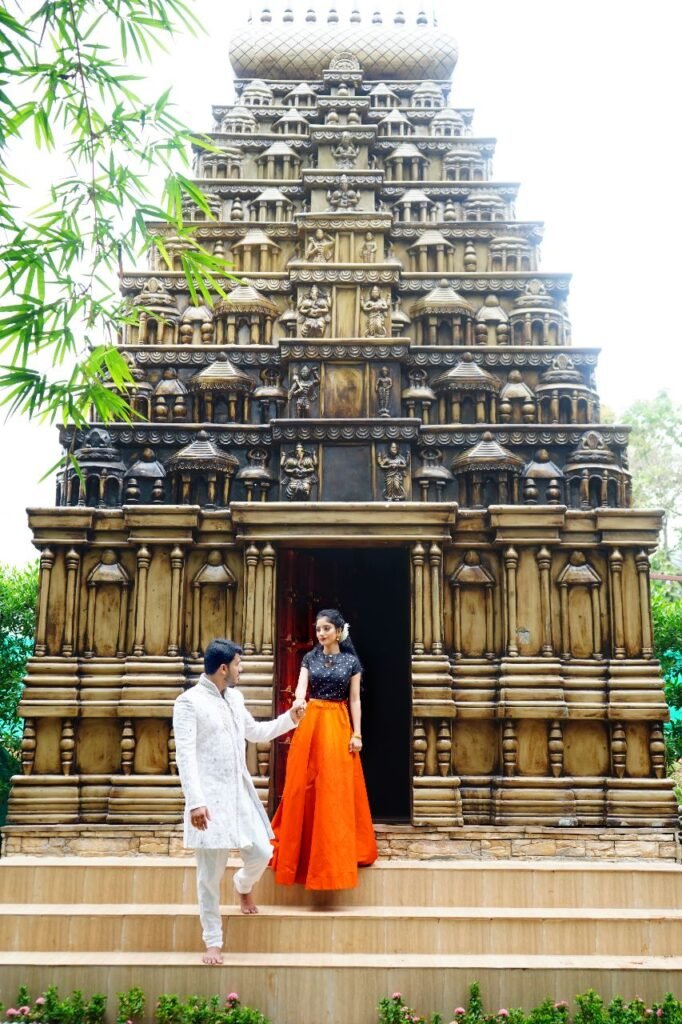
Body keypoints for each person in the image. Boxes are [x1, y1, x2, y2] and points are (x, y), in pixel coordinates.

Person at [173, 638, 305, 965]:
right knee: (208, 876)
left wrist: (290, 718)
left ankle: (243, 884)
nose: (241, 669)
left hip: (239, 794)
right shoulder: (188, 702)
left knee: (263, 851)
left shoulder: (234, 697)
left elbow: (255, 733)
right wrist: (195, 802)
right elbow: (185, 756)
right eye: (238, 665)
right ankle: (213, 942)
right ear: (223, 668)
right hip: (209, 801)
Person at [271, 609, 378, 890]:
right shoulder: (309, 658)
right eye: (318, 629)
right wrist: (297, 702)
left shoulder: (351, 662)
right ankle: (303, 851)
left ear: (339, 631)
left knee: (334, 787)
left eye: (326, 628)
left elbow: (355, 700)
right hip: (312, 722)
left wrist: (357, 733)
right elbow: (300, 689)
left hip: (338, 723)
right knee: (304, 784)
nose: (320, 633)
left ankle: (334, 854)